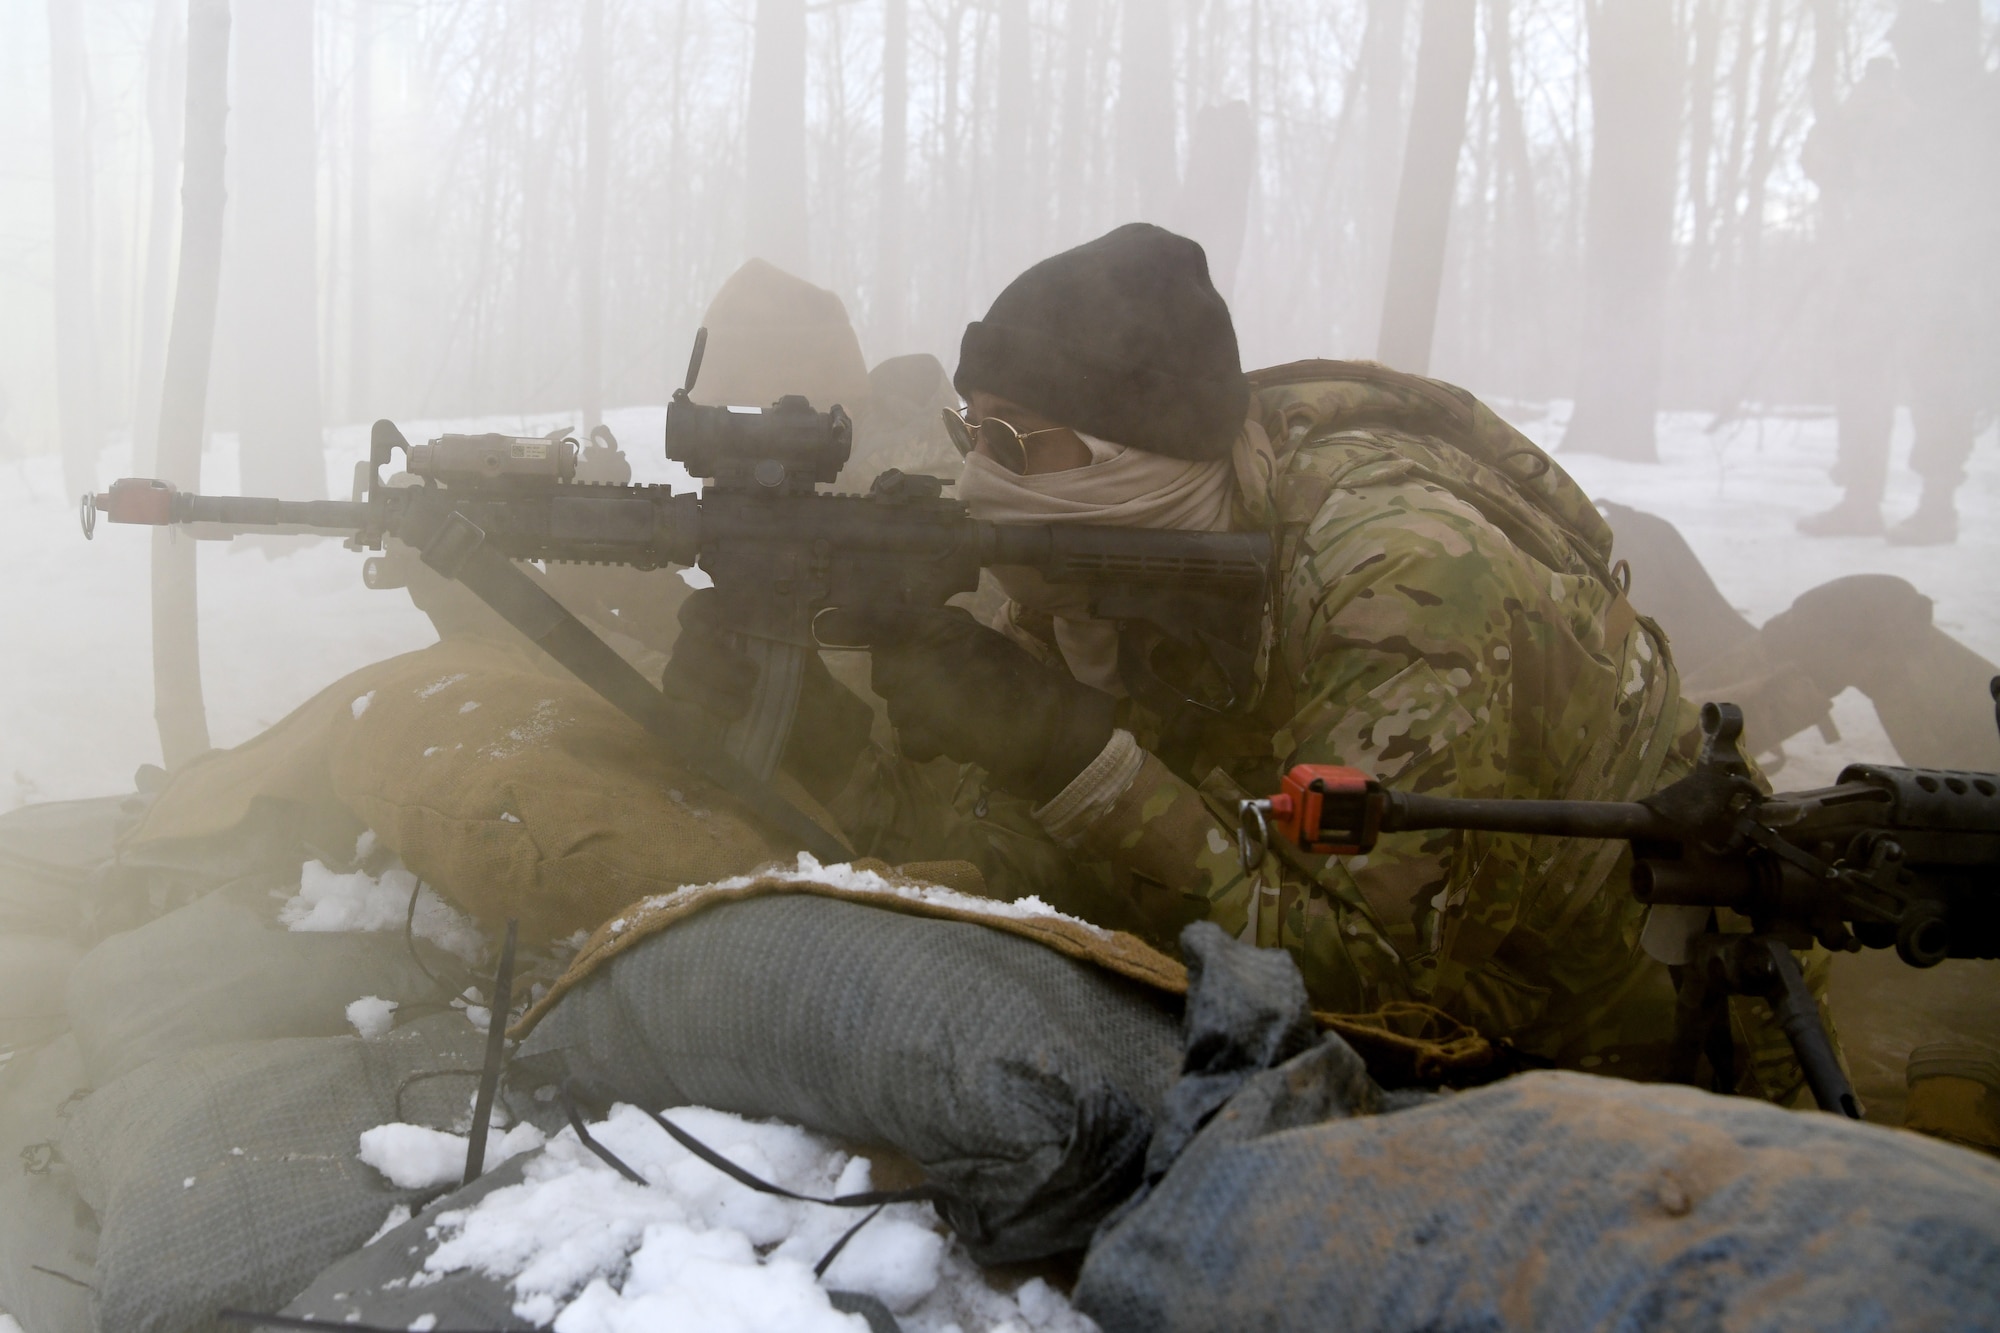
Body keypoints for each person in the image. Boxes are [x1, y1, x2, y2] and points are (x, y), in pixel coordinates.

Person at [670, 223, 1831, 1104]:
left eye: (1025, 440)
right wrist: (829, 737)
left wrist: (1075, 753)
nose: (984, 478)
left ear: (1141, 452)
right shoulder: (1103, 561)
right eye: (978, 434)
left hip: (1628, 1060)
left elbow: (1367, 975)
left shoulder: (1411, 580)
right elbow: (1037, 862)